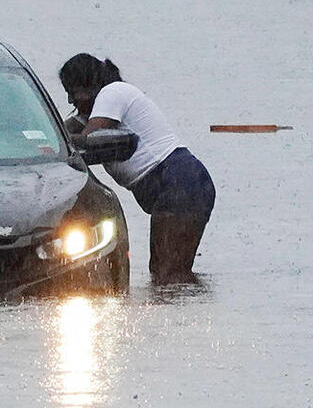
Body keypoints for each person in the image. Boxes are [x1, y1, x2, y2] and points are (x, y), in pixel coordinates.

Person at [58, 54, 215, 284]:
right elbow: (60, 133)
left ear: (89, 85)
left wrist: (56, 143)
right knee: (169, 274)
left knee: (167, 274)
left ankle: (187, 316)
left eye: (72, 91)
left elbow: (85, 141)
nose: (70, 100)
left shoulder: (113, 93)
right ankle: (189, 311)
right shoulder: (97, 108)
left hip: (179, 181)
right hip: (184, 184)